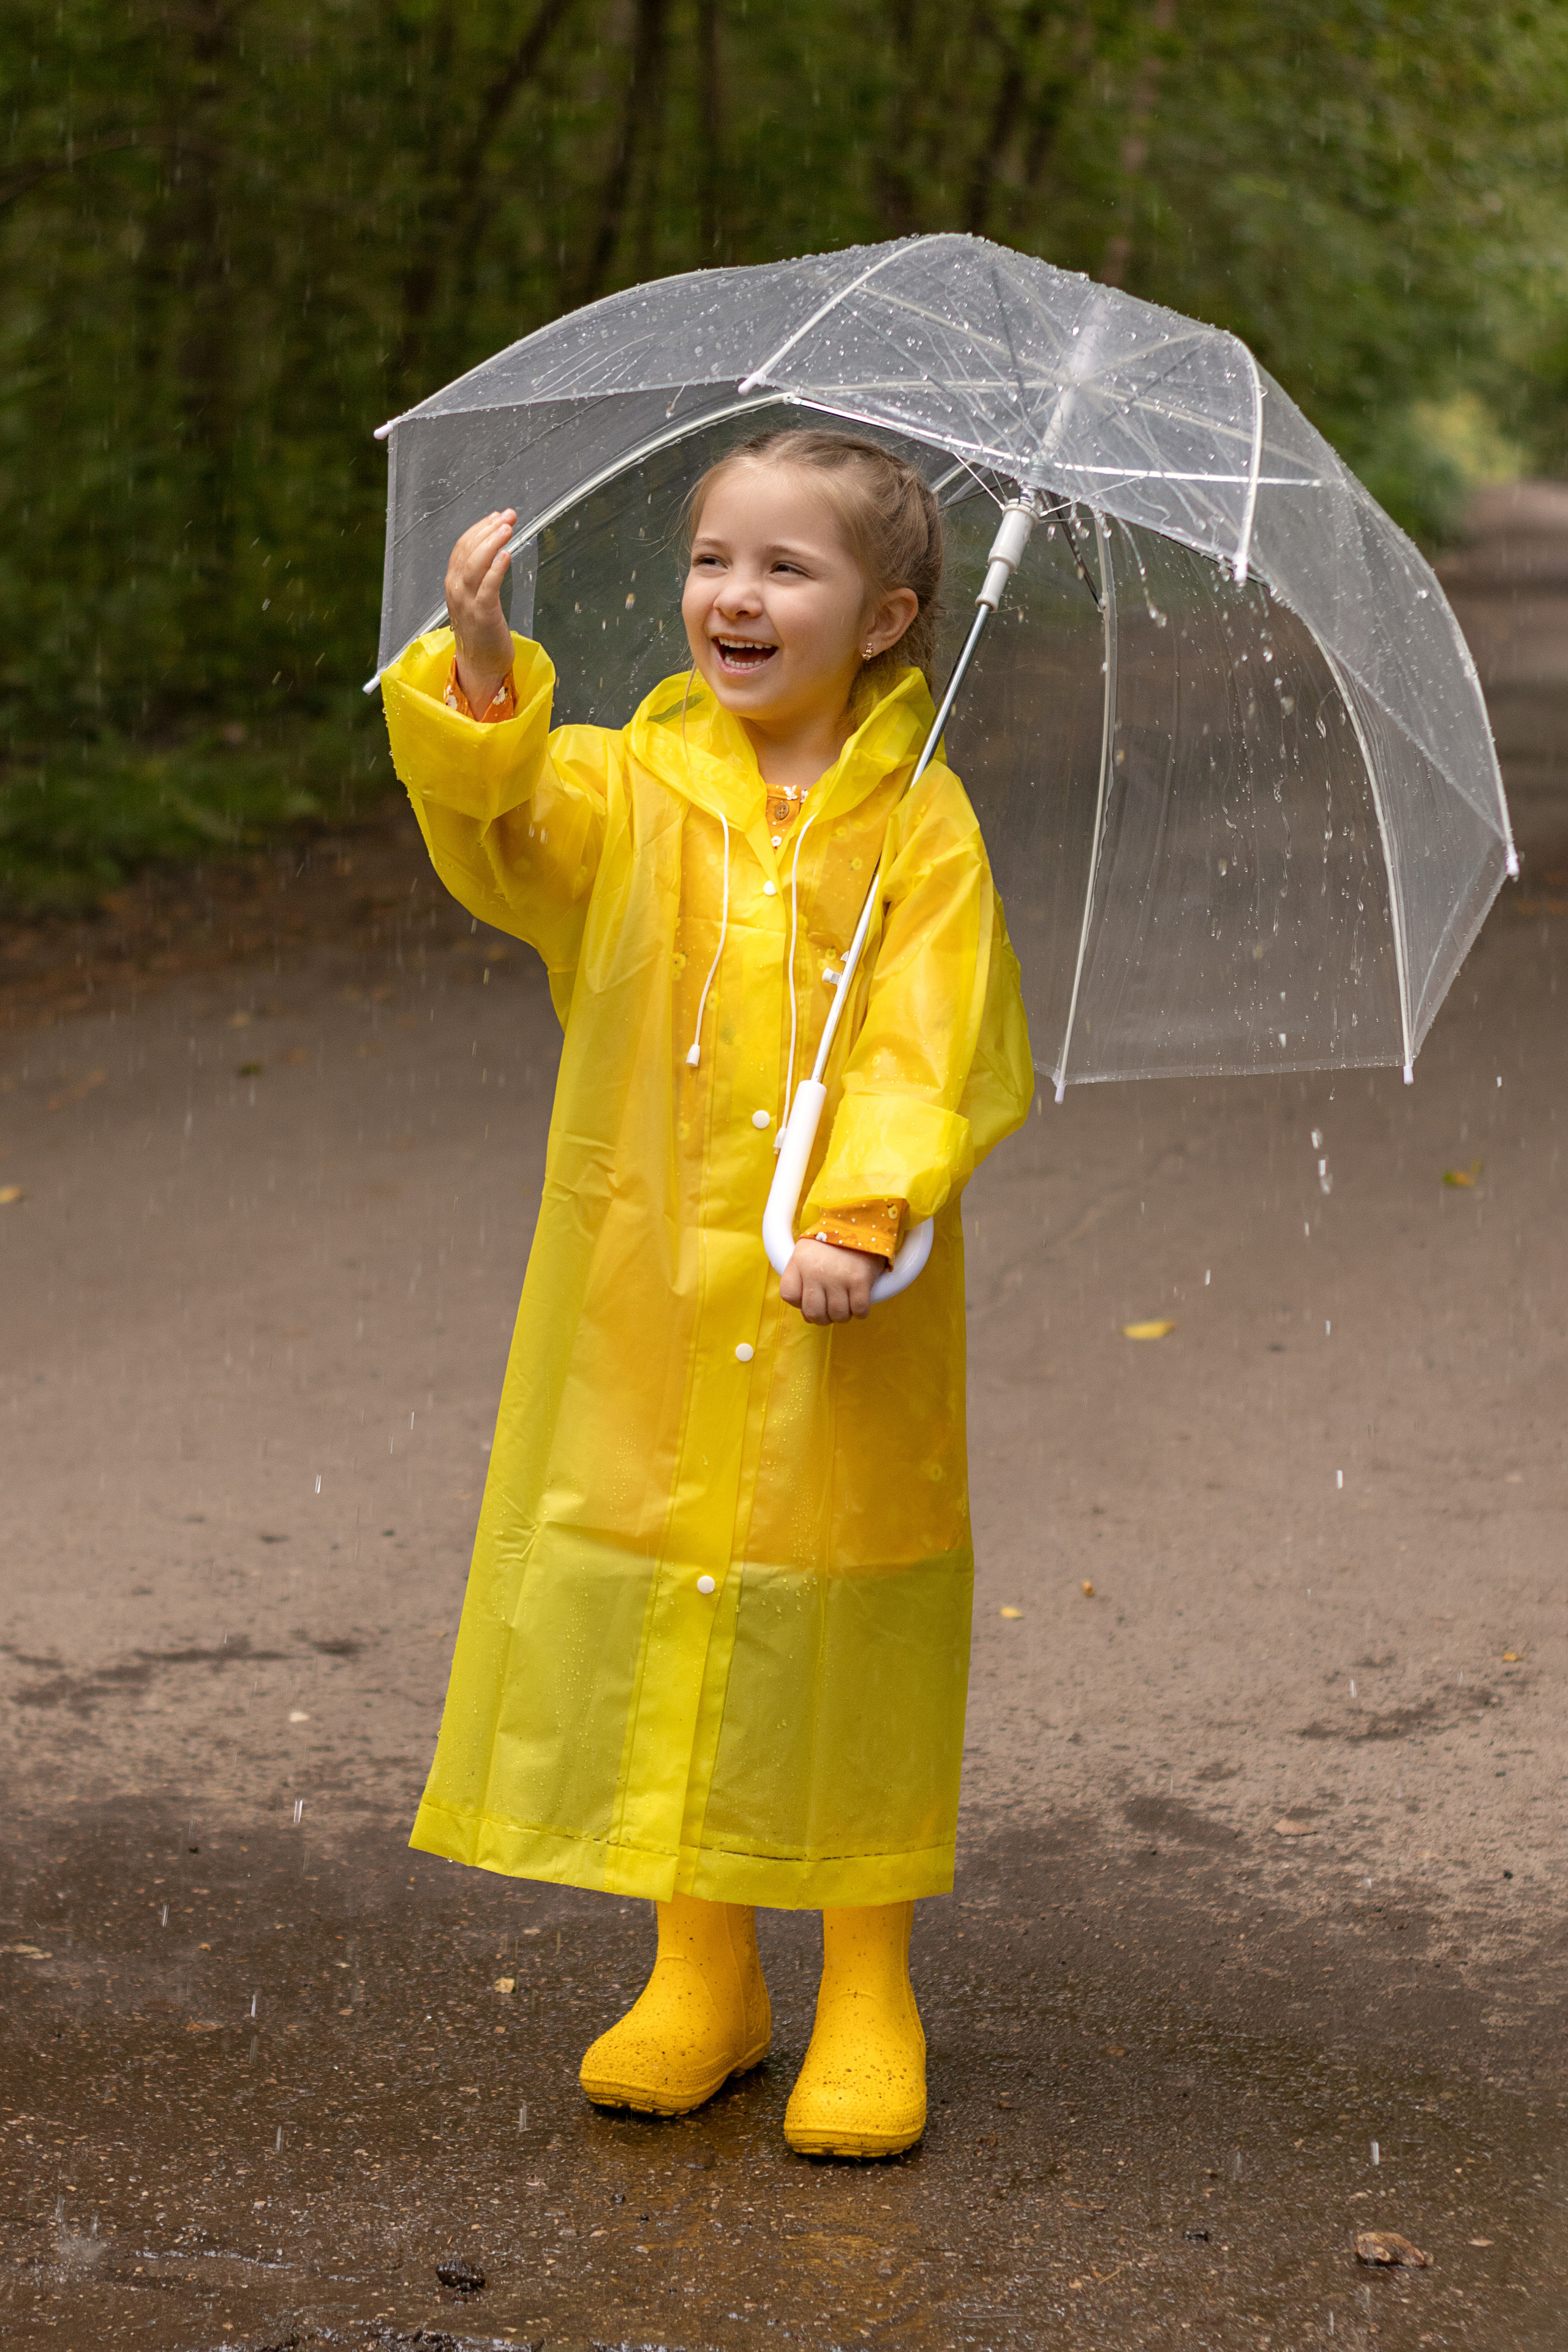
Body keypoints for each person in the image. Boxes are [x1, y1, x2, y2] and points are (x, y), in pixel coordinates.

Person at [379, 428, 1033, 2158]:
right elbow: (506, 841)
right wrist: (485, 676)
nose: (734, 597)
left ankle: (869, 1982)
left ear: (886, 616)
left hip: (838, 1300)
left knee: (841, 1609)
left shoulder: (922, 822)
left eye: (786, 568)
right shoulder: (631, 782)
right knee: (666, 1582)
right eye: (712, 562)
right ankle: (703, 1971)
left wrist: (863, 1208)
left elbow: (932, 1041)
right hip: (654, 1278)